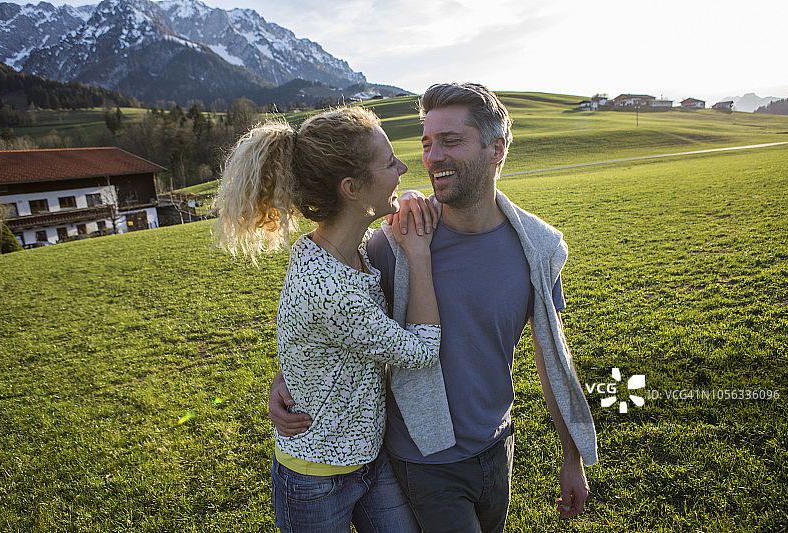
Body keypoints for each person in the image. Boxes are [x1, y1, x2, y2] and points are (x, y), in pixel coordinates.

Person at [269, 84, 599, 532]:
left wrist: (571, 454)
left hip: (498, 446)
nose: (431, 157)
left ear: (497, 148)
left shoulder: (537, 248)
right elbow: (327, 315)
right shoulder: (397, 240)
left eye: (450, 140)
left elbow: (552, 358)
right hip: (421, 458)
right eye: (426, 142)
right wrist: (288, 372)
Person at [214, 106, 442, 533]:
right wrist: (419, 254)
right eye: (390, 163)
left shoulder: (332, 247)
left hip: (370, 458)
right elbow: (422, 350)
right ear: (352, 188)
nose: (404, 167)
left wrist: (287, 374)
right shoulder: (330, 289)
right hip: (316, 478)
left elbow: (309, 340)